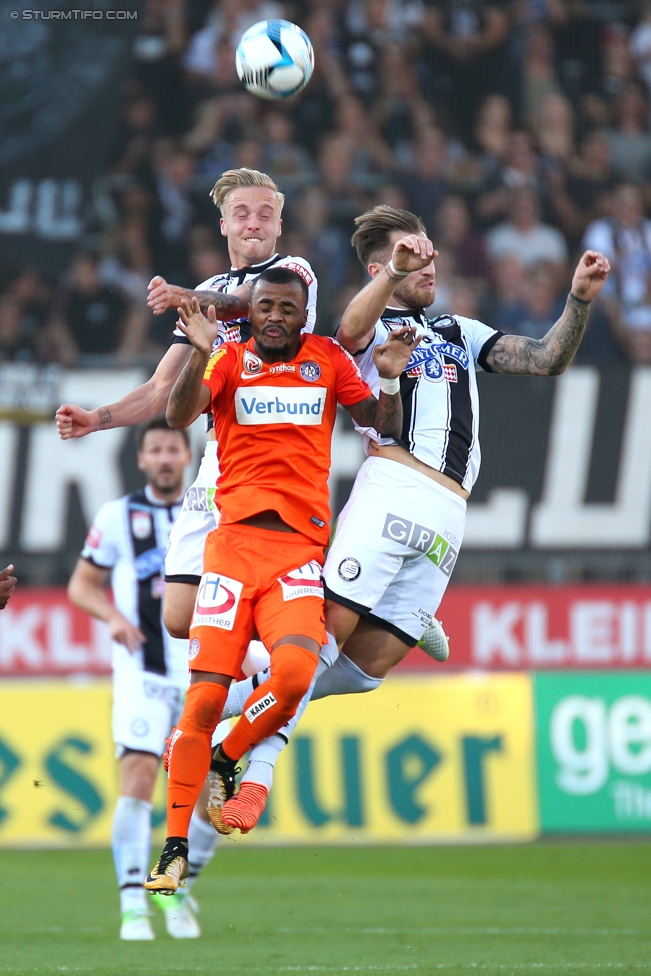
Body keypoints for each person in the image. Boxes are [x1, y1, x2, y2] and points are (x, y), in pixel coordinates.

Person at [206, 205, 611, 835]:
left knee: (365, 673)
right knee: (318, 648)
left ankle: (232, 697)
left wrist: (578, 301)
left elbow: (543, 358)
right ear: (382, 265)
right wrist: (391, 278)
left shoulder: (455, 330)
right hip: (393, 489)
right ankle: (244, 769)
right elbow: (349, 325)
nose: (429, 262)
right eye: (411, 253)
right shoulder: (370, 329)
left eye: (428, 252)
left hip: (450, 513)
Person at [143, 267, 418, 894]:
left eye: (286, 308)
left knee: (294, 675)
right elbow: (179, 412)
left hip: (298, 553)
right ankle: (175, 846)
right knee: (204, 698)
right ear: (252, 310)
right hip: (233, 549)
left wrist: (394, 378)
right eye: (264, 306)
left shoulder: (326, 359)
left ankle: (224, 755)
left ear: (304, 314)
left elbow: (385, 427)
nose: (273, 316)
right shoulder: (228, 358)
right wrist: (199, 349)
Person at [56, 167, 317, 646]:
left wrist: (187, 297)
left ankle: (337, 614)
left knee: (267, 600)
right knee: (178, 616)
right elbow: (159, 389)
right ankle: (267, 667)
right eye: (241, 214)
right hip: (218, 460)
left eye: (265, 213)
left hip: (274, 457)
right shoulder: (211, 286)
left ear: (280, 223)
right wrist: (97, 419)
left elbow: (246, 303)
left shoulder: (295, 273)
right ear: (224, 226)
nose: (254, 223)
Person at [67, 418, 218, 941]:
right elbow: (82, 585)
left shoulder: (214, 510)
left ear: (187, 454)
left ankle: (175, 890)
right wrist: (112, 617)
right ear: (141, 460)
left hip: (206, 671)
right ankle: (134, 901)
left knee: (208, 797)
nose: (164, 458)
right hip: (142, 672)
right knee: (136, 778)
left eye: (173, 449)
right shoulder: (116, 516)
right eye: (154, 449)